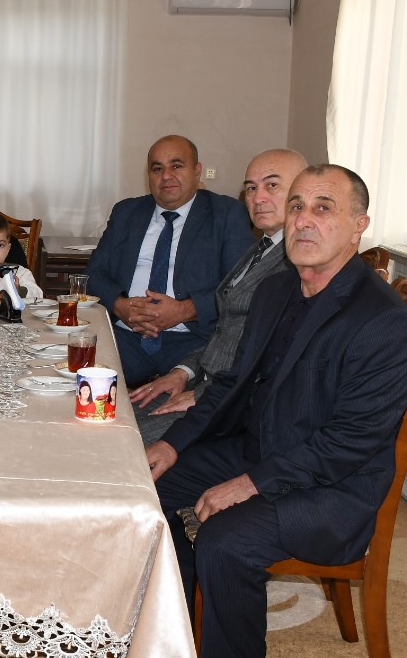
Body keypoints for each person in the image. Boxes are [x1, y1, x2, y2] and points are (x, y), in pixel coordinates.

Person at [146, 165, 407, 658]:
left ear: (359, 226)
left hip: (336, 489)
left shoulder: (382, 321)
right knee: (146, 490)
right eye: (296, 206)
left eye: (324, 207)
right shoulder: (276, 291)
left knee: (226, 540)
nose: (303, 220)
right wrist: (174, 443)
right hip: (265, 451)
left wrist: (249, 483)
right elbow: (231, 383)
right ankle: (186, 641)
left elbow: (351, 442)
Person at [130, 149, 307, 443]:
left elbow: (271, 360)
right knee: (107, 417)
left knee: (123, 444)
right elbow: (227, 332)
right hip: (202, 380)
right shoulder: (260, 248)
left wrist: (202, 395)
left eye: (272, 185)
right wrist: (183, 372)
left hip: (230, 405)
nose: (258, 198)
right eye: (251, 188)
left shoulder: (299, 264)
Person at [86, 135, 252, 388]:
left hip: (192, 340)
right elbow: (94, 273)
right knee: (80, 383)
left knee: (200, 402)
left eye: (176, 166)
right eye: (157, 169)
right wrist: (120, 306)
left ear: (197, 171)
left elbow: (241, 287)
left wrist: (184, 310)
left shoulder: (226, 213)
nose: (166, 176)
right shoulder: (126, 212)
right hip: (125, 335)